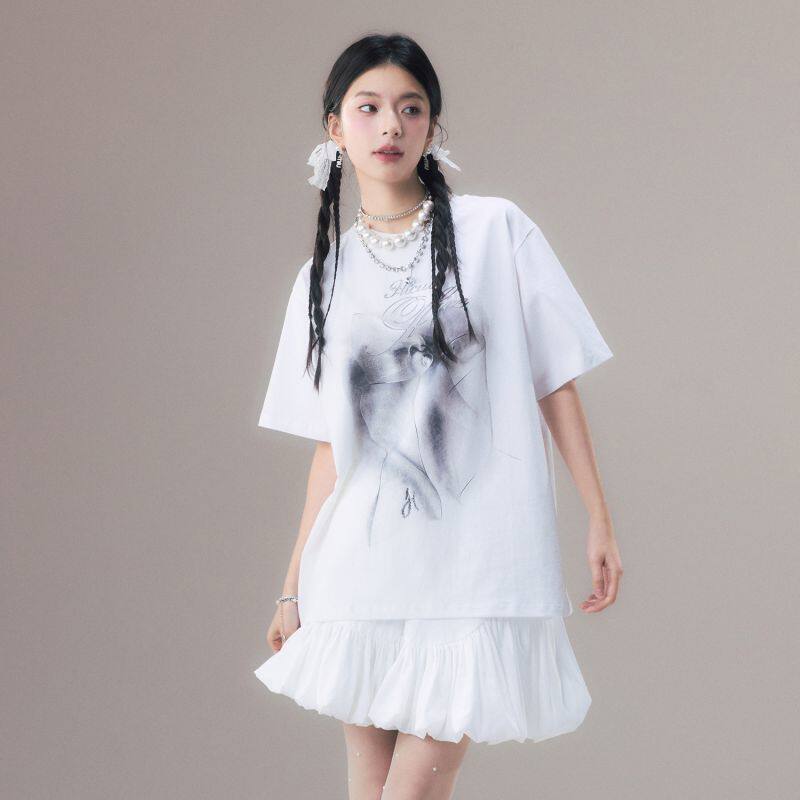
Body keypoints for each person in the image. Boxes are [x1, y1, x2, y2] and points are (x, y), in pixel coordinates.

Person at [253, 32, 623, 800]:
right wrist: (292, 588)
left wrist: (599, 518)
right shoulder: (323, 279)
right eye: (369, 108)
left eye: (411, 108)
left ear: (431, 126)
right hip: (360, 571)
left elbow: (554, 380)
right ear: (335, 128)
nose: (391, 125)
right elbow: (332, 447)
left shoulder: (495, 231)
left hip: (474, 566)